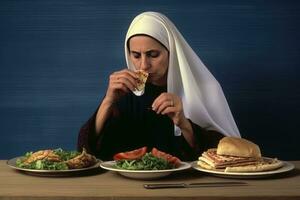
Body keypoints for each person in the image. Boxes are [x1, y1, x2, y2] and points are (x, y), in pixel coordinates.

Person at [77, 11, 240, 161]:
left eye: (153, 55)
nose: (143, 65)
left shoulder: (206, 89)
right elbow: (87, 153)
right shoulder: (124, 92)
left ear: (172, 52)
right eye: (136, 55)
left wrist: (183, 123)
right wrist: (108, 102)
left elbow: (227, 156)